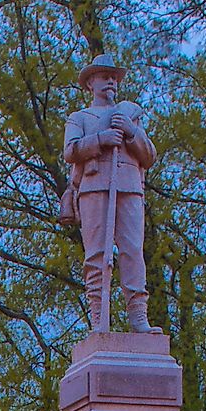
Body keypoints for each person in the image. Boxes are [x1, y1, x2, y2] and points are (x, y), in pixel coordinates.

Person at [60, 54, 157, 333]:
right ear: (91, 83)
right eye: (105, 76)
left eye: (114, 76)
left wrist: (130, 133)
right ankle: (99, 318)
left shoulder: (130, 115)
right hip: (93, 186)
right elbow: (70, 151)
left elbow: (149, 156)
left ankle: (138, 316)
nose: (111, 81)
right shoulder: (80, 118)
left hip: (129, 187)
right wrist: (101, 139)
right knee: (97, 255)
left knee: (132, 252)